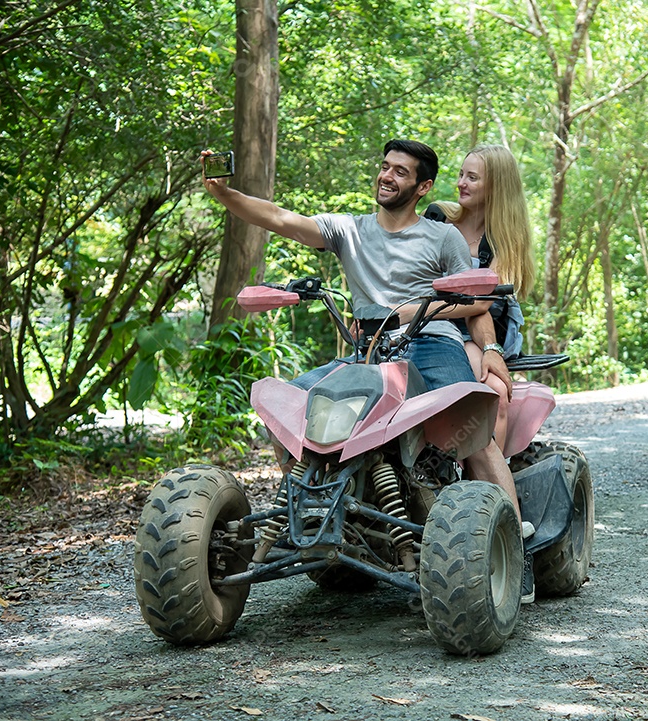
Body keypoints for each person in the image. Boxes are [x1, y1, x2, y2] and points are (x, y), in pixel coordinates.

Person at [201, 140, 535, 602]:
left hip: (431, 344)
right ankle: (323, 510)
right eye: (384, 167)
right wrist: (224, 195)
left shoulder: (442, 237)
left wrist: (420, 317)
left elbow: (477, 299)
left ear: (423, 187)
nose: (387, 176)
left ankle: (517, 552)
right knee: (290, 409)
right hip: (366, 349)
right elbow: (280, 218)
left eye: (401, 171)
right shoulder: (349, 230)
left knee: (469, 422)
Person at [424, 144, 536, 454]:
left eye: (472, 177)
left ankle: (489, 490)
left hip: (477, 325)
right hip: (429, 318)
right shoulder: (438, 217)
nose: (461, 183)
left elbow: (481, 304)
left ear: (496, 187)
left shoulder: (505, 238)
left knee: (494, 393)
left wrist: (490, 348)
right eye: (461, 174)